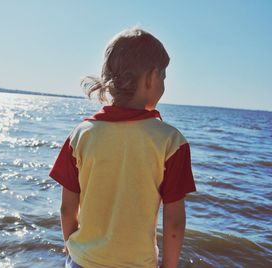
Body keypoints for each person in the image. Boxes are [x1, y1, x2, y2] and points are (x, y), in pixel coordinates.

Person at [49, 27, 196, 268]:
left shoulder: (81, 135)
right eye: (163, 78)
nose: (163, 85)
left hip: (82, 261)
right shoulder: (171, 142)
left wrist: (72, 247)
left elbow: (67, 208)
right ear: (150, 78)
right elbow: (174, 224)